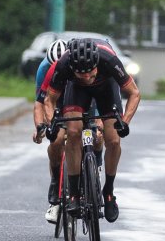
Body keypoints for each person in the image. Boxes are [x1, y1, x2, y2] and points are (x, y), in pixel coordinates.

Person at [44, 38, 141, 223]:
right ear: (73, 67)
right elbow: (50, 99)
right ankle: (73, 193)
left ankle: (109, 191)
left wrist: (125, 122)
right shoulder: (64, 63)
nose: (87, 78)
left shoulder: (109, 60)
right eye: (82, 74)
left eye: (90, 73)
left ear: (97, 64)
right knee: (73, 132)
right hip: (77, 90)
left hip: (106, 89)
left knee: (113, 140)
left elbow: (134, 93)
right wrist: (52, 123)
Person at [31, 39, 68, 223]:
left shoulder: (77, 64)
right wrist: (40, 126)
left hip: (80, 95)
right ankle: (56, 185)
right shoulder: (44, 69)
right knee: (56, 141)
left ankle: (95, 165)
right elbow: (40, 103)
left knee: (93, 136)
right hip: (55, 101)